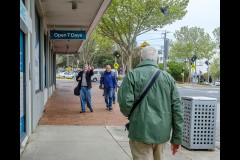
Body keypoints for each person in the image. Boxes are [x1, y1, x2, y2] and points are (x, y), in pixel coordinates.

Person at [117, 46, 184, 160]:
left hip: (140, 130)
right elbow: (177, 110)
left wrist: (133, 115)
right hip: (161, 132)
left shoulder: (132, 75)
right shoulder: (168, 78)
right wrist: (177, 138)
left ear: (141, 58)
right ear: (157, 59)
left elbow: (124, 105)